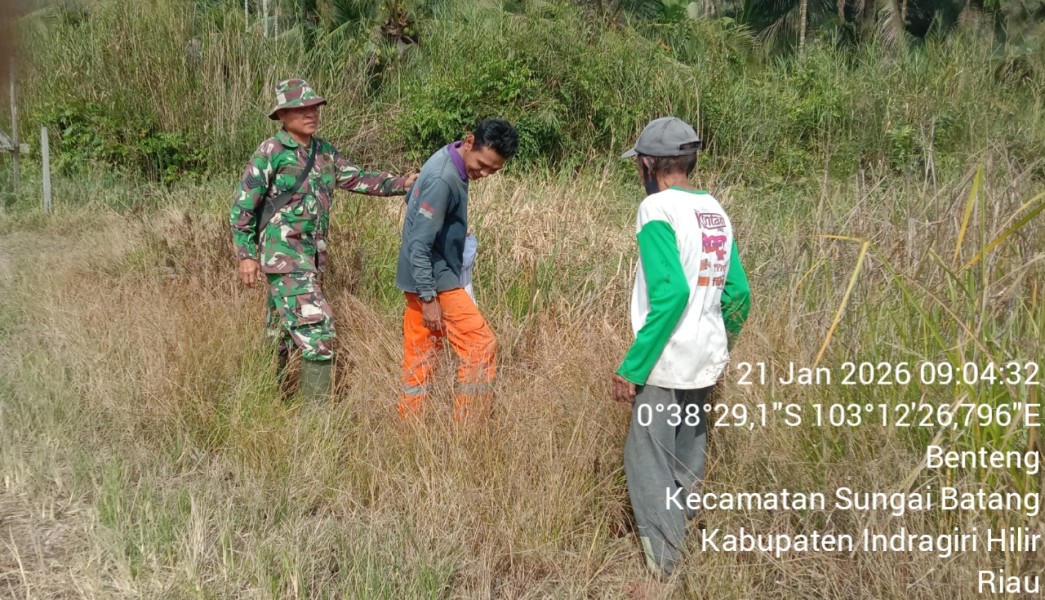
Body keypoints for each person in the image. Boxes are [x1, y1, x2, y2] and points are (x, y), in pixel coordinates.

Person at [612, 116, 751, 579]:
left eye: (639, 164)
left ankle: (663, 570)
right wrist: (718, 343)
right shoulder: (715, 210)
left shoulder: (656, 210)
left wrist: (633, 367)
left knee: (647, 459)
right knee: (687, 456)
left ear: (650, 164)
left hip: (666, 363)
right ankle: (684, 547)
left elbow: (670, 296)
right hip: (706, 360)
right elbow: (738, 295)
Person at [230, 79, 418, 405]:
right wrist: (247, 255)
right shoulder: (270, 153)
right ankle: (316, 426)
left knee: (282, 335)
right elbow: (243, 208)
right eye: (302, 108)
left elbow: (358, 178)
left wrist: (402, 183)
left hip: (312, 261)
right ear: (283, 114)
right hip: (283, 257)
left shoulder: (324, 152)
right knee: (318, 334)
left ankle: (271, 401)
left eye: (314, 107)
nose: (311, 113)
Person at [394, 118, 519, 420]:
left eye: (494, 170)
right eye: (483, 164)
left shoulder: (447, 158)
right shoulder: (443, 177)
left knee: (421, 358)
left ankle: (408, 431)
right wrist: (428, 298)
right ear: (470, 140)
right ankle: (469, 431)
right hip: (434, 279)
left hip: (420, 277)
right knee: (481, 346)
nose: (485, 173)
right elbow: (419, 245)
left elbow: (413, 199)